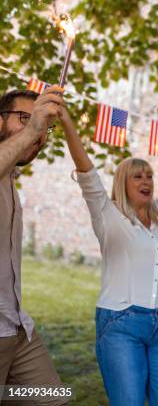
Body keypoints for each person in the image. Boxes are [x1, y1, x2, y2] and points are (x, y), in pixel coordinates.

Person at [64, 104, 158, 405]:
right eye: (137, 177)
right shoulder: (107, 213)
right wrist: (65, 118)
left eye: (149, 176)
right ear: (123, 184)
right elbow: (85, 168)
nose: (146, 182)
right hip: (121, 325)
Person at [0, 87, 68, 405]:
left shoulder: (10, 180)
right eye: (24, 118)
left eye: (42, 126)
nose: (37, 132)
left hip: (17, 330)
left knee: (50, 398)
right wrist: (32, 129)